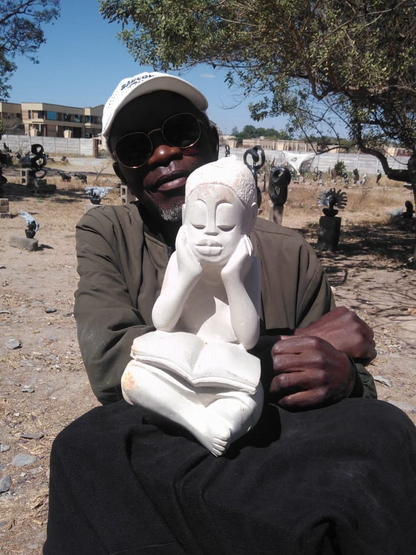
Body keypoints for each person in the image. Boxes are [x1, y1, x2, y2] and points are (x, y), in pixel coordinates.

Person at [43, 72, 416, 555]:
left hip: (275, 457)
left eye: (180, 132)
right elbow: (114, 363)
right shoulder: (108, 233)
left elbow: (334, 377)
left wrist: (347, 376)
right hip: (163, 456)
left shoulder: (285, 250)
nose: (161, 155)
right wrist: (282, 348)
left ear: (214, 142)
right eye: (136, 148)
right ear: (123, 175)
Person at [122, 156, 264, 456]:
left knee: (252, 402)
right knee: (133, 378)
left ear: (249, 220)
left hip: (225, 378)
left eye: (225, 225)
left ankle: (203, 416)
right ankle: (197, 420)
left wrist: (232, 279)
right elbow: (162, 322)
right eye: (198, 223)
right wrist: (187, 275)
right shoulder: (181, 260)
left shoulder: (248, 268)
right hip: (177, 371)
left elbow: (249, 339)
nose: (210, 234)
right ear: (185, 216)